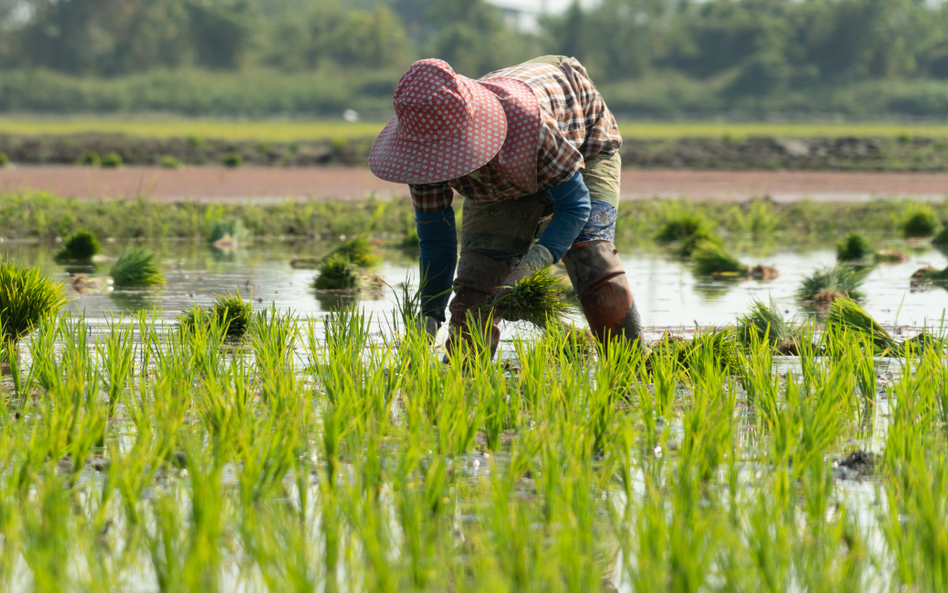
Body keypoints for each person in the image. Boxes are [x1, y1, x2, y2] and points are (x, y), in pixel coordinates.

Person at [369, 55, 641, 357]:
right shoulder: (424, 157)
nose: (442, 161)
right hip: (498, 181)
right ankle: (465, 385)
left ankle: (630, 369)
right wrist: (429, 314)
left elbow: (575, 206)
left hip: (580, 140)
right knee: (475, 291)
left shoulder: (528, 122)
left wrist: (531, 266)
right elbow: (436, 241)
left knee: (591, 258)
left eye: (449, 150)